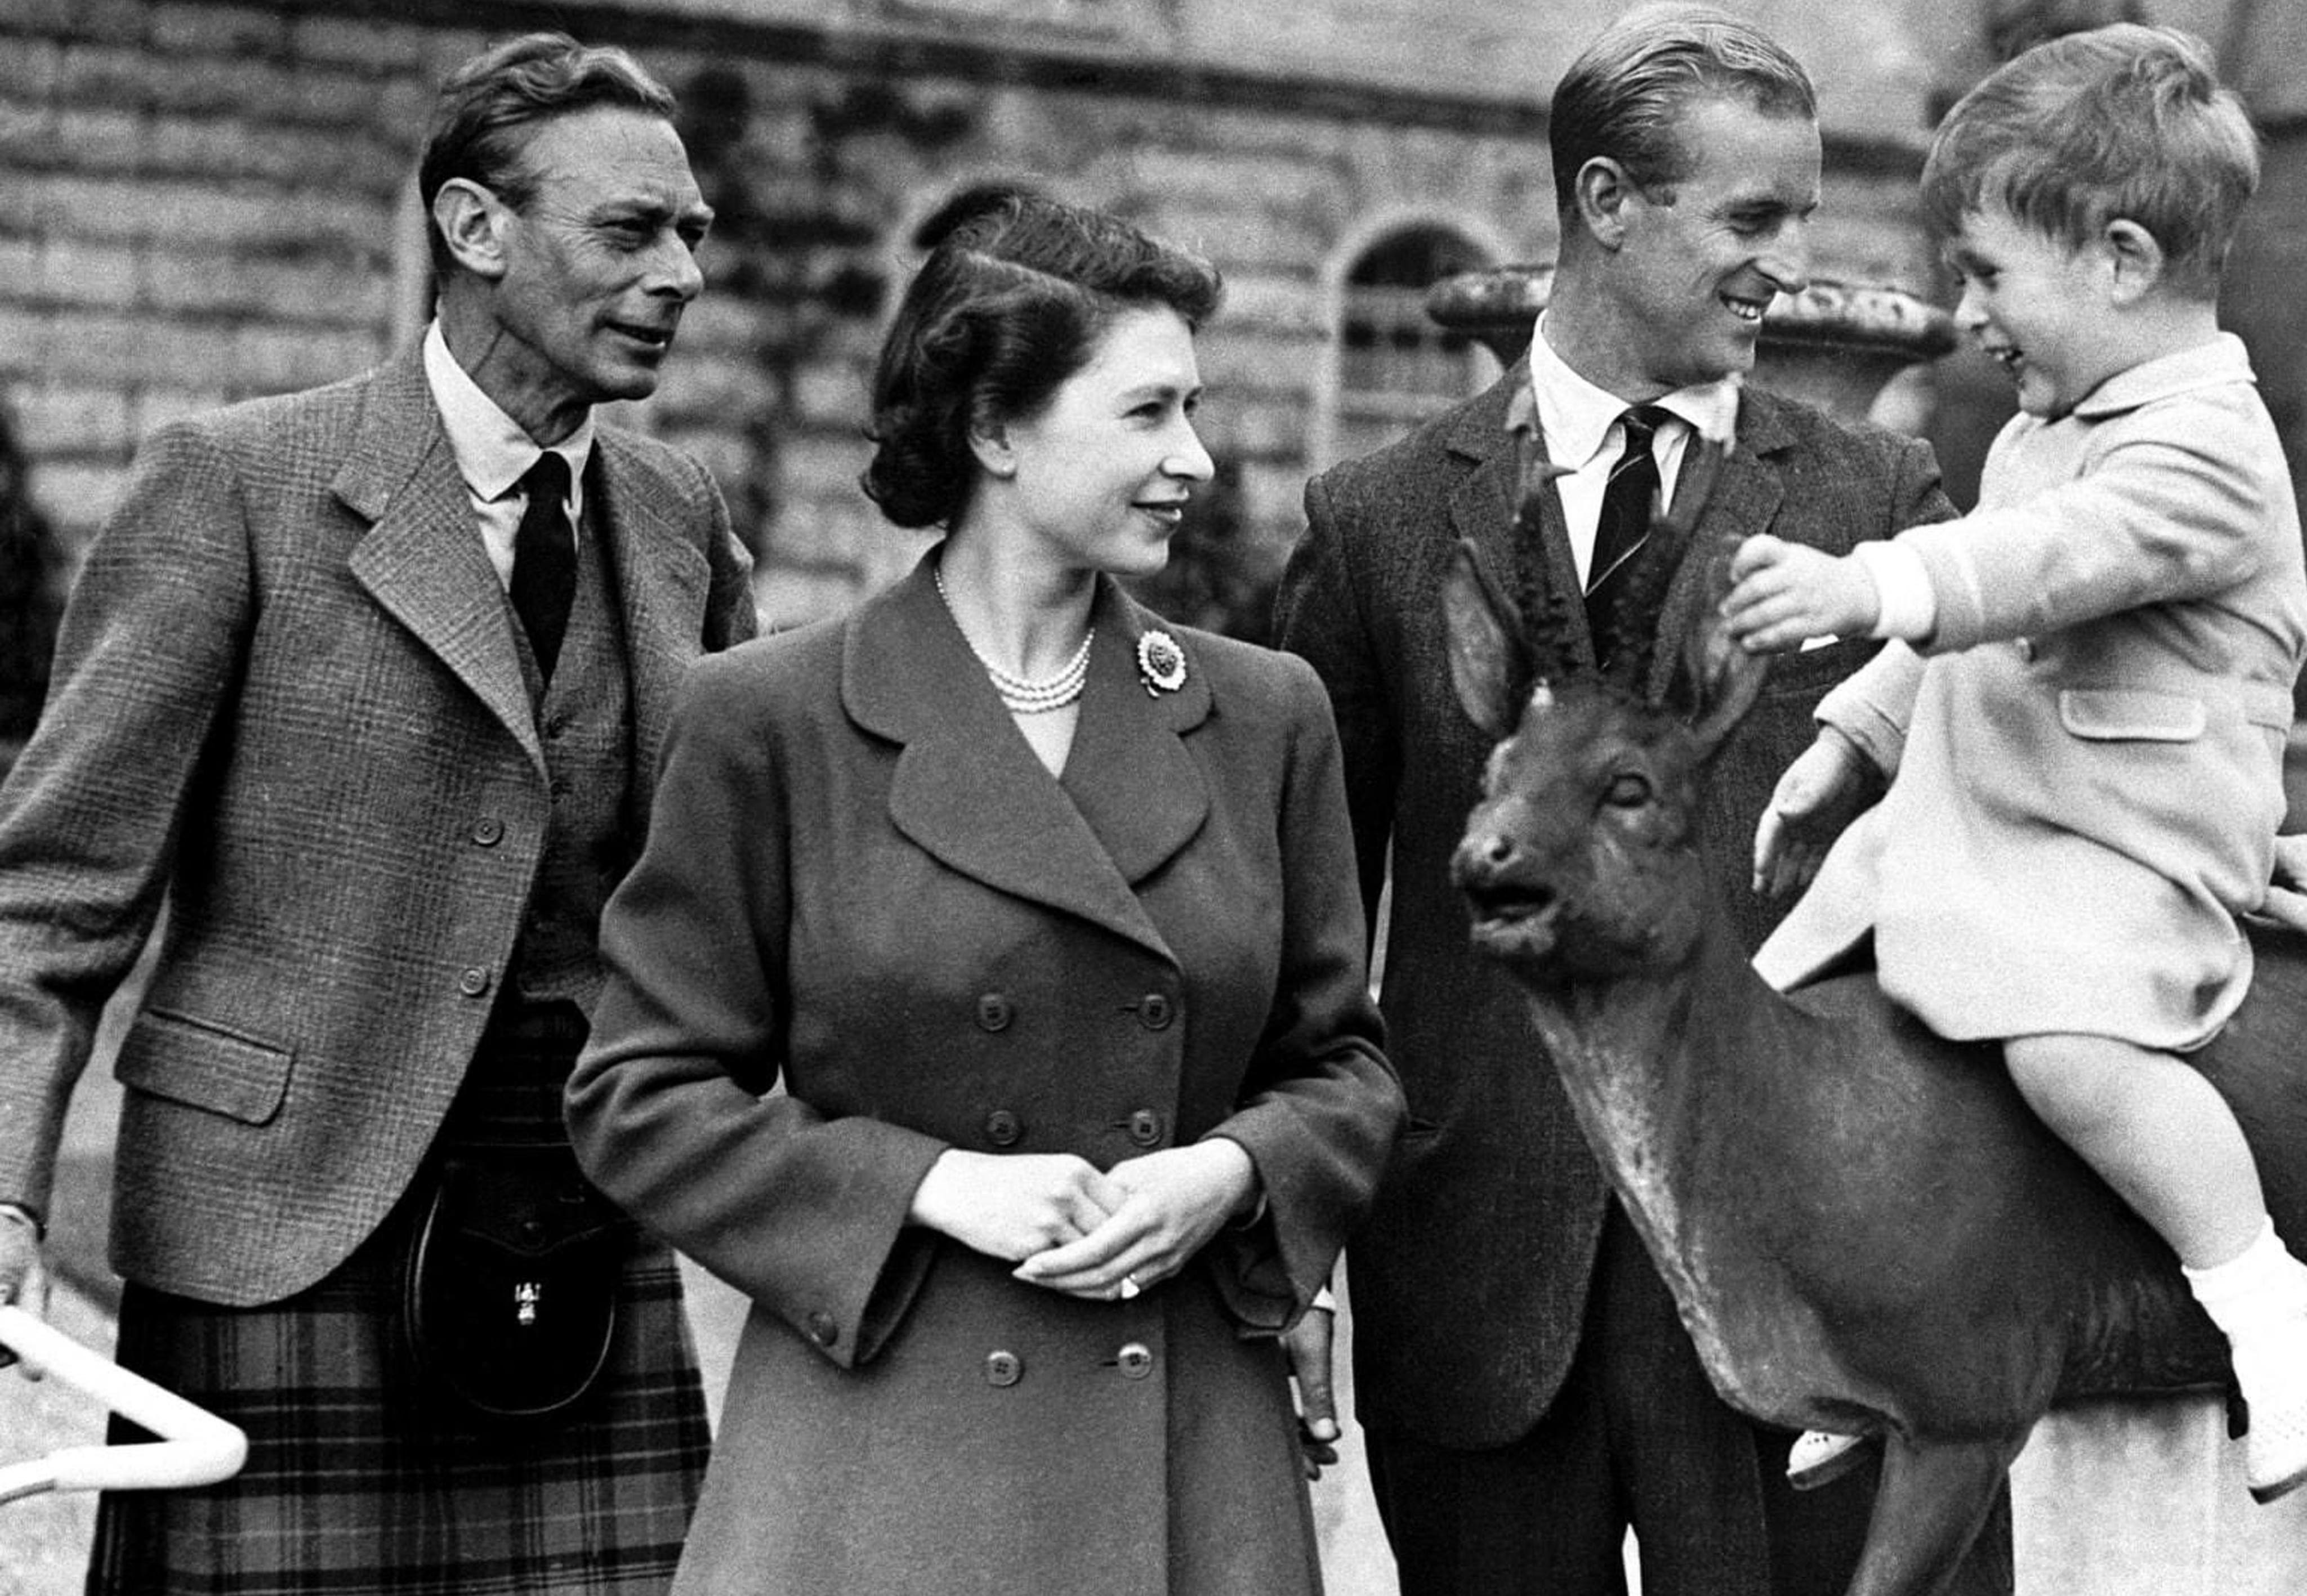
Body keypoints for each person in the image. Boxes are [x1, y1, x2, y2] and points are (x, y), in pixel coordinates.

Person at [564, 185, 1403, 1596]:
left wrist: (1233, 1170)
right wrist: (938, 1184)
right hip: (881, 1447)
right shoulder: (773, 715)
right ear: (995, 428)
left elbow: (1345, 1067)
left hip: (1188, 1446)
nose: (1194, 457)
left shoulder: (1263, 714)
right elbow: (637, 1096)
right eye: (1145, 414)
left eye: (1191, 409)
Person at [0, 32, 754, 1592]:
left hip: (578, 1216)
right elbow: (53, 894)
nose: (680, 271)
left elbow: (740, 888)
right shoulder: (237, 485)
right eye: (632, 230)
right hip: (276, 1225)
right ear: (475, 231)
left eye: (690, 232)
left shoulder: (679, 518)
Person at [1275, 8, 2008, 1594]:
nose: (1785, 264)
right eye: (1751, 219)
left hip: (1817, 1305)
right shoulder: (1382, 518)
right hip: (1475, 1287)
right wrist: (1292, 1247)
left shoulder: (1879, 510)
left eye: (1799, 219)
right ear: (1606, 202)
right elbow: (1296, 916)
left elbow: (1985, 837)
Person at [1724, 23, 2307, 1505]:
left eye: (1989, 276)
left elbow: (2038, 569)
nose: (1965, 317)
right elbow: (1980, 632)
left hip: (2122, 842)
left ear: (2124, 261)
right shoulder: (2043, 424)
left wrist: (1872, 585)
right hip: (1984, 820)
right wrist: (1851, 733)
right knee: (1794, 1017)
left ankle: (2263, 1294)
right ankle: (1885, 1329)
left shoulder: (2203, 448)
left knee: (2064, 1050)